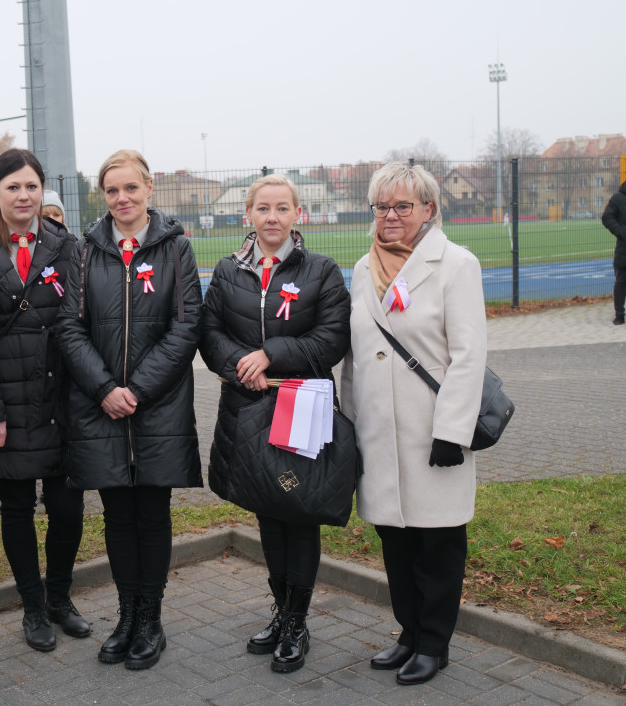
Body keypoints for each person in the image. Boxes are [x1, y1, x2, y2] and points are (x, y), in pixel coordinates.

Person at [55, 149, 203, 670]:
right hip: (102, 409)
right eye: (112, 190)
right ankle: (126, 615)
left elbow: (186, 328)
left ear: (149, 189)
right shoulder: (83, 251)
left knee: (151, 515)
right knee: (117, 517)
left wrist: (136, 389)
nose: (122, 199)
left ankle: (151, 621)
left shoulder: (175, 248)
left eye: (131, 189)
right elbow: (69, 328)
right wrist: (104, 390)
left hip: (156, 406)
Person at [341, 161, 486, 686]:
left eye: (403, 206)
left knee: (437, 545)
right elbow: (356, 358)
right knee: (396, 542)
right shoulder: (362, 268)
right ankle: (408, 632)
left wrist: (452, 431)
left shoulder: (456, 265)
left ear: (429, 209)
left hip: (433, 432)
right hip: (379, 434)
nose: (391, 216)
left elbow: (469, 356)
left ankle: (434, 642)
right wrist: (350, 425)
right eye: (383, 206)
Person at [200, 174, 350, 673]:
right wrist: (243, 365)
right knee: (268, 507)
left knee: (299, 511)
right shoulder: (226, 272)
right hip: (248, 406)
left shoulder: (322, 271)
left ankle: (297, 622)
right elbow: (210, 333)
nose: (272, 217)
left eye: (282, 208)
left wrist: (270, 355)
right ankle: (281, 611)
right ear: (248, 214)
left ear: (297, 215)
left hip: (300, 405)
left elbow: (331, 340)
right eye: (263, 208)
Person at [0, 149, 86, 653]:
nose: (23, 196)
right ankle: (32, 607)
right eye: (13, 188)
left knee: (68, 508)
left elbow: (79, 319)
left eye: (31, 187)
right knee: (17, 507)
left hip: (60, 402)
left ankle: (59, 597)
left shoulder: (66, 245)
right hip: (7, 405)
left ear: (41, 190)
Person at [601, 180, 626, 325]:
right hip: (624, 247)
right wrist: (621, 232)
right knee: (622, 281)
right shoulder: (618, 198)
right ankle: (619, 314)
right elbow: (607, 217)